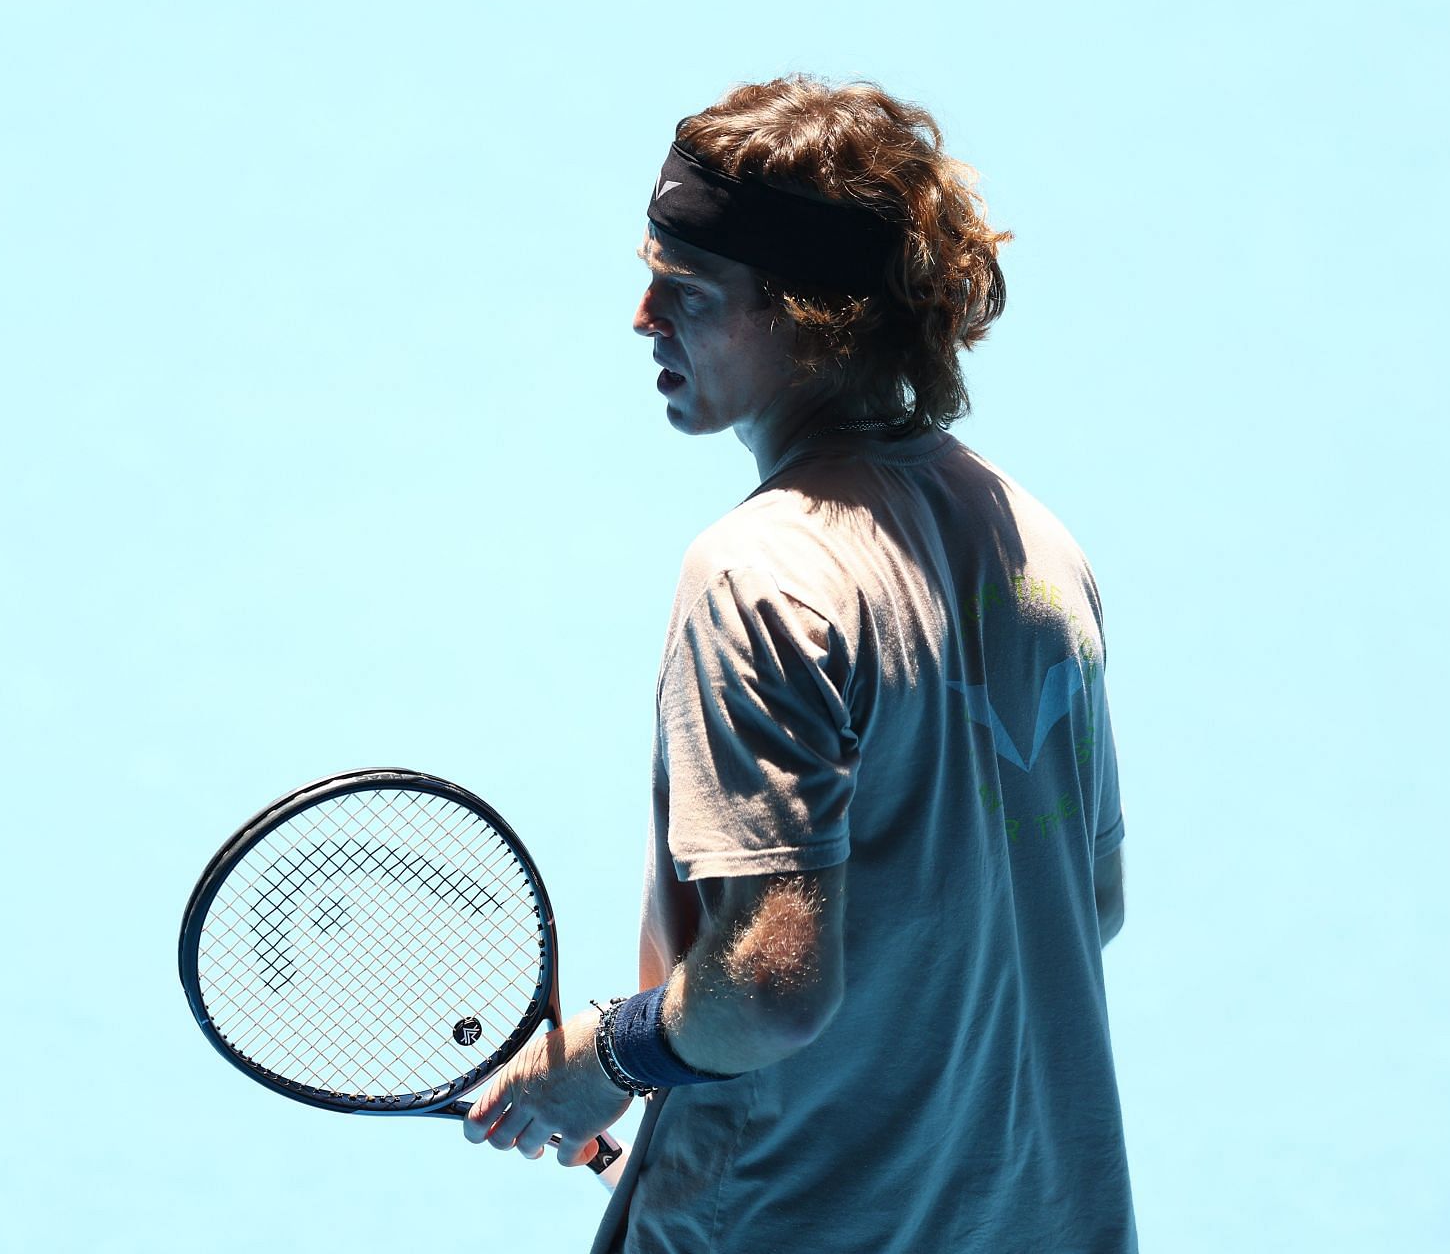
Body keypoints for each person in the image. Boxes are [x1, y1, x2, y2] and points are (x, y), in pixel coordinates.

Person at [464, 74, 1138, 1252]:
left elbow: (773, 985)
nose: (642, 317)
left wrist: (613, 1054)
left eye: (685, 289)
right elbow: (1085, 903)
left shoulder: (760, 572)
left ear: (803, 315)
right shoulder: (1042, 553)